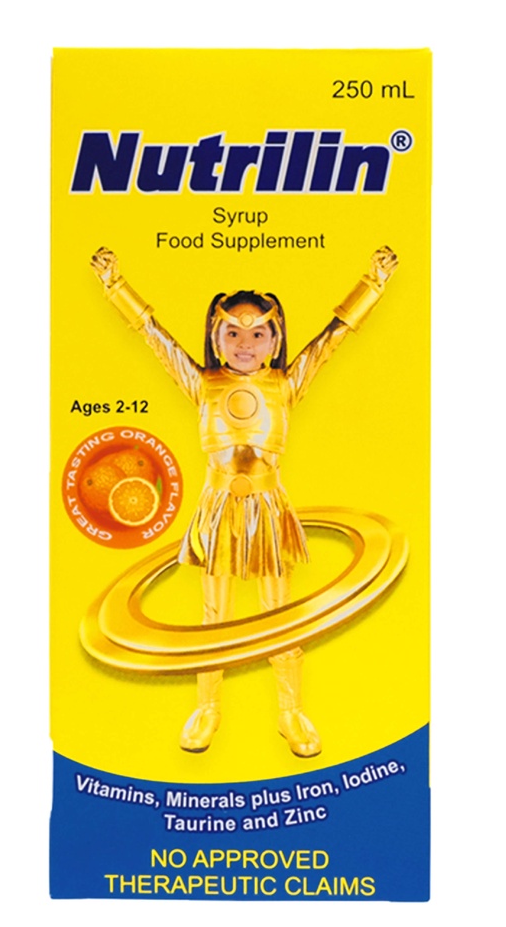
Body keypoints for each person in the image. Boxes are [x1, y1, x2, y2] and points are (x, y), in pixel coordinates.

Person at [89, 246, 398, 757]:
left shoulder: (284, 384)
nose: (245, 344)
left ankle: (290, 712)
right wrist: (115, 286)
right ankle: (207, 708)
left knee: (280, 615)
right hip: (217, 509)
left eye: (258, 335)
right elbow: (154, 336)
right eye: (232, 333)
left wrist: (373, 284)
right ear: (215, 339)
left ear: (275, 340)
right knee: (215, 616)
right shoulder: (203, 383)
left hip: (269, 509)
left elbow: (333, 337)